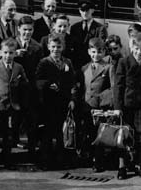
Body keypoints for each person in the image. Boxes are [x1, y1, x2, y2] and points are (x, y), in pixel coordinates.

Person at [114, 32, 141, 179]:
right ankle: (122, 167)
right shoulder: (123, 62)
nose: (139, 52)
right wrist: (117, 107)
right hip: (127, 105)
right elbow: (118, 86)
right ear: (131, 47)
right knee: (124, 137)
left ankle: (139, 165)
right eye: (136, 49)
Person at [0, 38, 29, 169]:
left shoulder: (19, 67)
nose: (8, 56)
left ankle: (7, 159)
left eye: (11, 53)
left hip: (12, 105)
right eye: (5, 52)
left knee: (8, 134)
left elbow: (25, 85)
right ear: (0, 53)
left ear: (15, 53)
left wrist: (21, 102)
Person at [35, 33, 77, 170]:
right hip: (48, 103)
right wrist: (48, 84)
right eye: (53, 46)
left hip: (63, 101)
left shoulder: (68, 62)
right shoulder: (44, 62)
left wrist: (72, 99)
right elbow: (38, 81)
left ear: (63, 47)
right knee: (47, 133)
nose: (56, 50)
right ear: (48, 47)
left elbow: (72, 82)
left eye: (59, 46)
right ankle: (45, 161)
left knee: (62, 132)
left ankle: (62, 160)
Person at [77, 38, 114, 171]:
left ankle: (99, 161)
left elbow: (113, 88)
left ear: (104, 52)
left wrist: (102, 100)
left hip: (100, 107)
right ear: (88, 52)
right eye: (93, 52)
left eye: (99, 52)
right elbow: (81, 87)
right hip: (87, 106)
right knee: (89, 132)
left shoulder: (109, 67)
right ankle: (90, 158)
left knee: (100, 134)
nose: (96, 55)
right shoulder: (84, 68)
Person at [14, 15, 45, 155]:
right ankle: (10, 151)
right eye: (25, 30)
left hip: (30, 90)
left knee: (31, 120)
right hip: (14, 89)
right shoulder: (12, 44)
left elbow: (40, 69)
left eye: (30, 30)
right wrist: (14, 54)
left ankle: (32, 151)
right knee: (14, 120)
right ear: (19, 29)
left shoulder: (37, 47)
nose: (27, 33)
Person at [69, 0, 107, 65]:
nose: (85, 13)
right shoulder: (74, 27)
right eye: (82, 10)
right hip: (76, 62)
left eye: (87, 10)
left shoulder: (100, 28)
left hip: (92, 62)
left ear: (92, 10)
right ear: (79, 11)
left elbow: (101, 47)